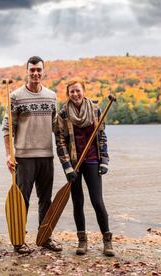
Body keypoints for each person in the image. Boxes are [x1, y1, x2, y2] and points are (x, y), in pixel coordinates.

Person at [2, 56, 62, 254]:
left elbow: (57, 128)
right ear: (26, 72)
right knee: (23, 200)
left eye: (39, 70)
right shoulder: (16, 96)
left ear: (43, 72)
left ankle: (45, 237)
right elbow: (7, 128)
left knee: (46, 199)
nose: (35, 73)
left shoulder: (52, 96)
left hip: (47, 155)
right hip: (24, 158)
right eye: (32, 70)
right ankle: (19, 240)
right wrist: (9, 155)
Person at [55, 79, 115, 256]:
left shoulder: (96, 111)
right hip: (74, 164)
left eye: (78, 91)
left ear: (83, 91)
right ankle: (82, 241)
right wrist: (67, 166)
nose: (75, 94)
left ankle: (107, 241)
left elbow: (102, 136)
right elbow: (60, 142)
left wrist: (104, 160)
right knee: (78, 202)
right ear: (68, 94)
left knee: (97, 201)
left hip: (92, 161)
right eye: (72, 92)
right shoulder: (63, 114)